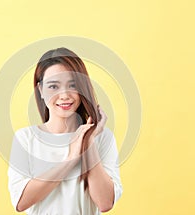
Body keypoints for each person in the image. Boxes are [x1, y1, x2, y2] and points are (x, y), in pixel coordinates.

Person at [8, 47, 123, 215]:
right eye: (53, 86)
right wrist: (70, 160)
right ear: (40, 90)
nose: (64, 95)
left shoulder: (102, 137)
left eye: (72, 85)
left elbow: (105, 202)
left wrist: (88, 142)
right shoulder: (25, 138)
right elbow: (20, 202)